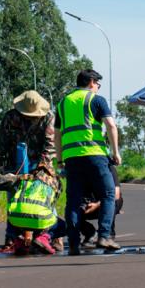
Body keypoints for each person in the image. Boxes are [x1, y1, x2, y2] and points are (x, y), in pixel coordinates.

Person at [55, 69, 122, 255]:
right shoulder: (96, 100)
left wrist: (59, 160)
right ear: (91, 82)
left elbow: (58, 135)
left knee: (73, 201)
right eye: (98, 84)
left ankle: (74, 244)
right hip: (95, 155)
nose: (98, 87)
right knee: (109, 194)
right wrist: (116, 152)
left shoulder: (62, 103)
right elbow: (110, 125)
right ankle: (104, 236)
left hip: (71, 159)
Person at [0, 90, 60, 254]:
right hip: (15, 164)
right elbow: (3, 142)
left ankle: (52, 237)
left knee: (44, 200)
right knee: (14, 202)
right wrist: (2, 167)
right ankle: (13, 239)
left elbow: (50, 146)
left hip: (41, 165)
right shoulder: (11, 117)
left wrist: (41, 170)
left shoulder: (49, 118)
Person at [77, 161, 123, 248]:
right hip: (88, 204)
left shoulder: (109, 168)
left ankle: (108, 234)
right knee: (72, 211)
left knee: (114, 202)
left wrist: (97, 205)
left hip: (103, 203)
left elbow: (116, 195)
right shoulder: (80, 169)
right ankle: (90, 233)